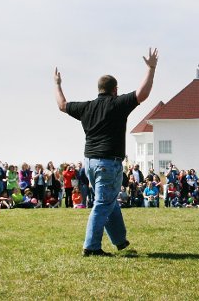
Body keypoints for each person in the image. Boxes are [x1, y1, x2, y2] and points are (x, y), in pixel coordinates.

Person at [56, 47, 158, 256]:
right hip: (108, 163)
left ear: (99, 89)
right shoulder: (117, 104)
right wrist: (151, 68)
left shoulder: (87, 107)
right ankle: (91, 247)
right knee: (103, 203)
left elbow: (62, 105)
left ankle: (120, 240)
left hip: (89, 162)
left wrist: (57, 85)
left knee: (109, 200)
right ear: (115, 89)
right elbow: (143, 94)